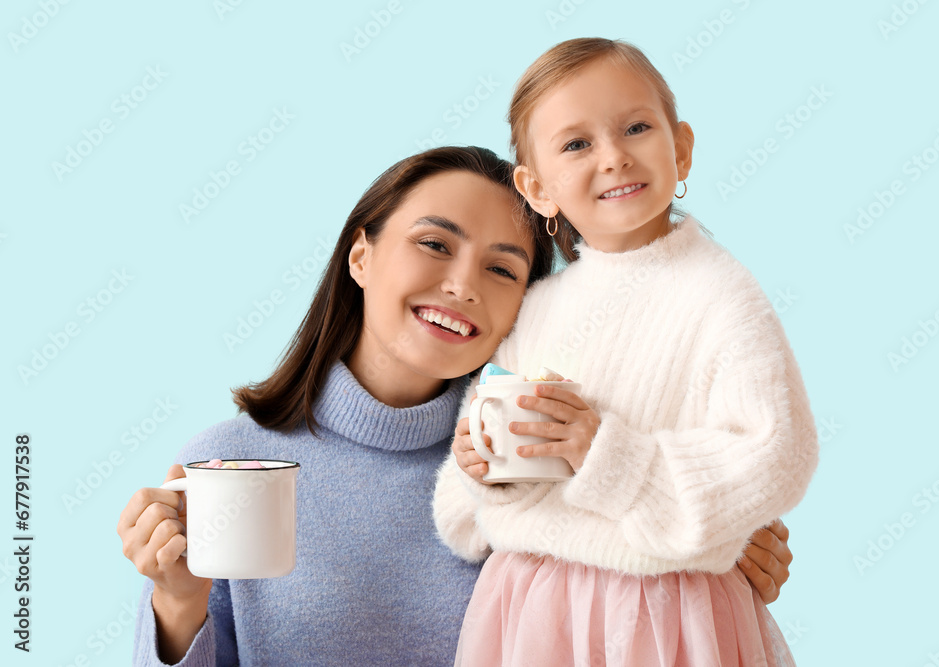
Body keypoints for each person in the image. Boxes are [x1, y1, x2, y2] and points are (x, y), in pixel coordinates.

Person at [118, 146, 794, 666]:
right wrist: (179, 601)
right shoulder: (228, 462)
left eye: (503, 268)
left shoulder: (538, 459)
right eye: (434, 244)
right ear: (361, 253)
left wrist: (710, 539)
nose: (461, 284)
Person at [434, 39, 819, 666]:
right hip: (531, 611)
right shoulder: (537, 306)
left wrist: (609, 455)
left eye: (636, 127)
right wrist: (484, 468)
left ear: (682, 147)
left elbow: (779, 453)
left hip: (664, 616)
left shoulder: (721, 295)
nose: (613, 157)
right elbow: (466, 505)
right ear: (537, 188)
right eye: (576, 144)